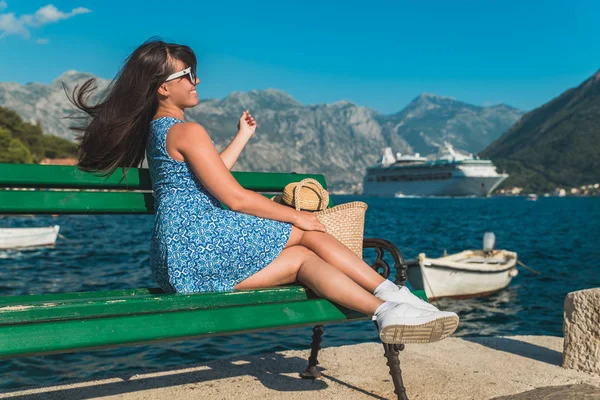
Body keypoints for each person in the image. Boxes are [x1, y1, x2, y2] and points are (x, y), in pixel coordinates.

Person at [66, 37, 458, 344]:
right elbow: (233, 197)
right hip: (198, 247)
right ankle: (399, 295)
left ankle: (386, 311)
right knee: (307, 231)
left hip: (179, 262)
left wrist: (242, 137)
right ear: (162, 90)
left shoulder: (160, 131)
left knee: (305, 259)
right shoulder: (187, 130)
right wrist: (298, 216)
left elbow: (207, 176)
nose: (195, 80)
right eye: (185, 76)